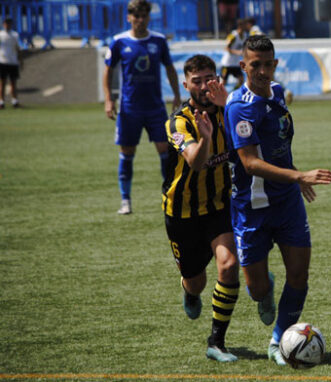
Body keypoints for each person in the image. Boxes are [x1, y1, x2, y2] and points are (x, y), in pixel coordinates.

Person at [223, 34, 331, 365]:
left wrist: (294, 175)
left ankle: (278, 341)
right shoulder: (239, 106)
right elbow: (249, 162)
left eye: (267, 64)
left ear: (275, 64)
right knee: (258, 290)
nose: (261, 71)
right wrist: (300, 176)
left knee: (299, 274)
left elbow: (278, 147)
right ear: (243, 65)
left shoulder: (277, 93)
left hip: (286, 202)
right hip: (252, 208)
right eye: (254, 65)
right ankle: (264, 290)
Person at [163, 54, 239, 362]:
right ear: (186, 85)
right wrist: (206, 138)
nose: (205, 86)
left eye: (210, 78)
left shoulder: (230, 109)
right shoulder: (176, 122)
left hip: (220, 205)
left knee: (229, 265)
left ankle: (216, 342)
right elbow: (195, 160)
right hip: (182, 213)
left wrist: (228, 107)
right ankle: (189, 291)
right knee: (197, 281)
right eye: (197, 81)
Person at [103, 0, 182, 215]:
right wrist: (109, 99)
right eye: (136, 16)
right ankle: (125, 200)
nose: (140, 20)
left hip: (156, 108)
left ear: (148, 17)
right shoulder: (119, 42)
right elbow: (108, 71)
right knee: (127, 152)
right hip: (129, 109)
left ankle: (170, 196)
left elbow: (170, 68)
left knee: (166, 151)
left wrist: (176, 94)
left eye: (144, 16)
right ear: (129, 17)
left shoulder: (158, 41)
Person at [0, 18, 21, 109]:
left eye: (9, 23)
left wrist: (20, 59)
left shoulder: (15, 35)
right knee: (2, 83)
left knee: (13, 82)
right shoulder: (0, 35)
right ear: (3, 24)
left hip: (13, 61)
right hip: (2, 61)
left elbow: (17, 48)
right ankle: (1, 101)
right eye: (6, 23)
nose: (7, 25)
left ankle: (14, 101)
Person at [220, 19, 247, 89]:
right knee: (223, 82)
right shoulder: (233, 35)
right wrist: (237, 52)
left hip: (235, 64)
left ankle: (234, 91)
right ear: (240, 26)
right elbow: (226, 48)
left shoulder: (244, 35)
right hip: (227, 64)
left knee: (241, 80)